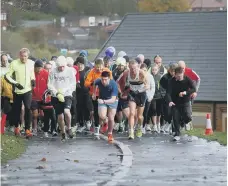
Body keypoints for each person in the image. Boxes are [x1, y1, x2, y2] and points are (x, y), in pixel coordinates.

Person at [5, 48, 35, 137]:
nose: (23, 58)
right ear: (19, 56)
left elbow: (32, 73)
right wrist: (16, 83)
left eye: (25, 56)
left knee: (28, 108)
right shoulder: (14, 63)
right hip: (17, 90)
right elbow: (7, 76)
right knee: (16, 110)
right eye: (22, 56)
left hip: (27, 90)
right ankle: (17, 127)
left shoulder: (31, 63)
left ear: (28, 56)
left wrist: (33, 79)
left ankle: (27, 130)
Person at [118, 59, 149, 139]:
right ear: (129, 67)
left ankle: (139, 127)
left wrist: (139, 90)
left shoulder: (141, 73)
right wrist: (121, 91)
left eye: (135, 68)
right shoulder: (126, 73)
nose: (133, 70)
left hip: (141, 94)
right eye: (131, 68)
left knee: (139, 116)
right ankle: (131, 131)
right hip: (132, 94)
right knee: (131, 113)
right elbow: (118, 82)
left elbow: (148, 86)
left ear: (138, 67)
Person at [48, 56, 76, 140]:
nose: (62, 68)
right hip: (56, 95)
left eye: (63, 66)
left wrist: (65, 90)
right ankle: (63, 132)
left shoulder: (69, 71)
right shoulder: (53, 71)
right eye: (60, 67)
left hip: (67, 94)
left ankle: (69, 127)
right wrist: (56, 92)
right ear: (57, 66)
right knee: (60, 116)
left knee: (67, 111)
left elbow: (73, 83)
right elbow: (49, 84)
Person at [84, 58, 112, 136]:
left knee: (103, 112)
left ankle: (105, 122)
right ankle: (97, 128)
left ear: (103, 66)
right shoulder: (92, 72)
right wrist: (93, 82)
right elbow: (86, 83)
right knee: (96, 111)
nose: (99, 69)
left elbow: (111, 81)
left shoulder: (107, 71)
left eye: (100, 67)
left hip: (105, 94)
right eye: (97, 67)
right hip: (95, 95)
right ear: (94, 66)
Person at [167, 67, 196, 141]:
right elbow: (168, 93)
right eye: (178, 76)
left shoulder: (187, 79)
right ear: (175, 74)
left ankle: (183, 122)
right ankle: (177, 134)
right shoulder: (171, 81)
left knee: (188, 116)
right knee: (176, 118)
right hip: (175, 102)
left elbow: (194, 89)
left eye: (181, 76)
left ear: (183, 74)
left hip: (185, 101)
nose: (180, 77)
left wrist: (185, 93)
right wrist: (170, 101)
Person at [92, 71, 118, 142]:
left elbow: (113, 99)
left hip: (112, 100)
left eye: (105, 79)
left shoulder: (114, 84)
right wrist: (94, 93)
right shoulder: (98, 81)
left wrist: (103, 101)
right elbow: (95, 84)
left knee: (111, 118)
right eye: (102, 79)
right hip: (102, 98)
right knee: (102, 115)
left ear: (109, 78)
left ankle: (110, 134)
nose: (104, 81)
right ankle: (106, 122)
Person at [178, 60, 200, 130]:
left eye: (183, 68)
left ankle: (188, 124)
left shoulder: (190, 71)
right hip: (180, 95)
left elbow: (198, 79)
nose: (182, 69)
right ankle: (182, 125)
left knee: (188, 110)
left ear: (185, 66)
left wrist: (195, 91)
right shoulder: (177, 72)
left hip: (189, 94)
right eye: (180, 68)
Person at [74, 57, 93, 132]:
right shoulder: (75, 71)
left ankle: (88, 122)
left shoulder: (87, 71)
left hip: (86, 92)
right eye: (78, 64)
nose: (80, 66)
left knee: (87, 107)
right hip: (78, 93)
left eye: (81, 64)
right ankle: (81, 124)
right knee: (79, 108)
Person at [160, 62, 178, 134]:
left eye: (174, 71)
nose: (173, 73)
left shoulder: (178, 77)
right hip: (167, 97)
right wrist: (164, 96)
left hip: (176, 97)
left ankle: (173, 128)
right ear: (169, 70)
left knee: (175, 113)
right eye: (172, 71)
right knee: (167, 112)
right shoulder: (165, 78)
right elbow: (162, 88)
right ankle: (168, 122)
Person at [114, 57, 129, 132]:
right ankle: (120, 124)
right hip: (116, 94)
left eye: (121, 65)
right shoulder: (115, 72)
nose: (120, 67)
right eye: (119, 65)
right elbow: (114, 83)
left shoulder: (127, 73)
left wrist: (123, 92)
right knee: (117, 110)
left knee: (125, 109)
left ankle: (126, 123)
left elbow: (128, 84)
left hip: (125, 93)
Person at [140, 63, 155, 133]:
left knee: (145, 112)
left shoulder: (150, 76)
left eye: (145, 70)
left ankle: (143, 126)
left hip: (148, 97)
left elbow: (153, 87)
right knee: (139, 113)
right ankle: (138, 125)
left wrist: (151, 96)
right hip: (140, 97)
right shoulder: (138, 76)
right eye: (142, 70)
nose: (144, 71)